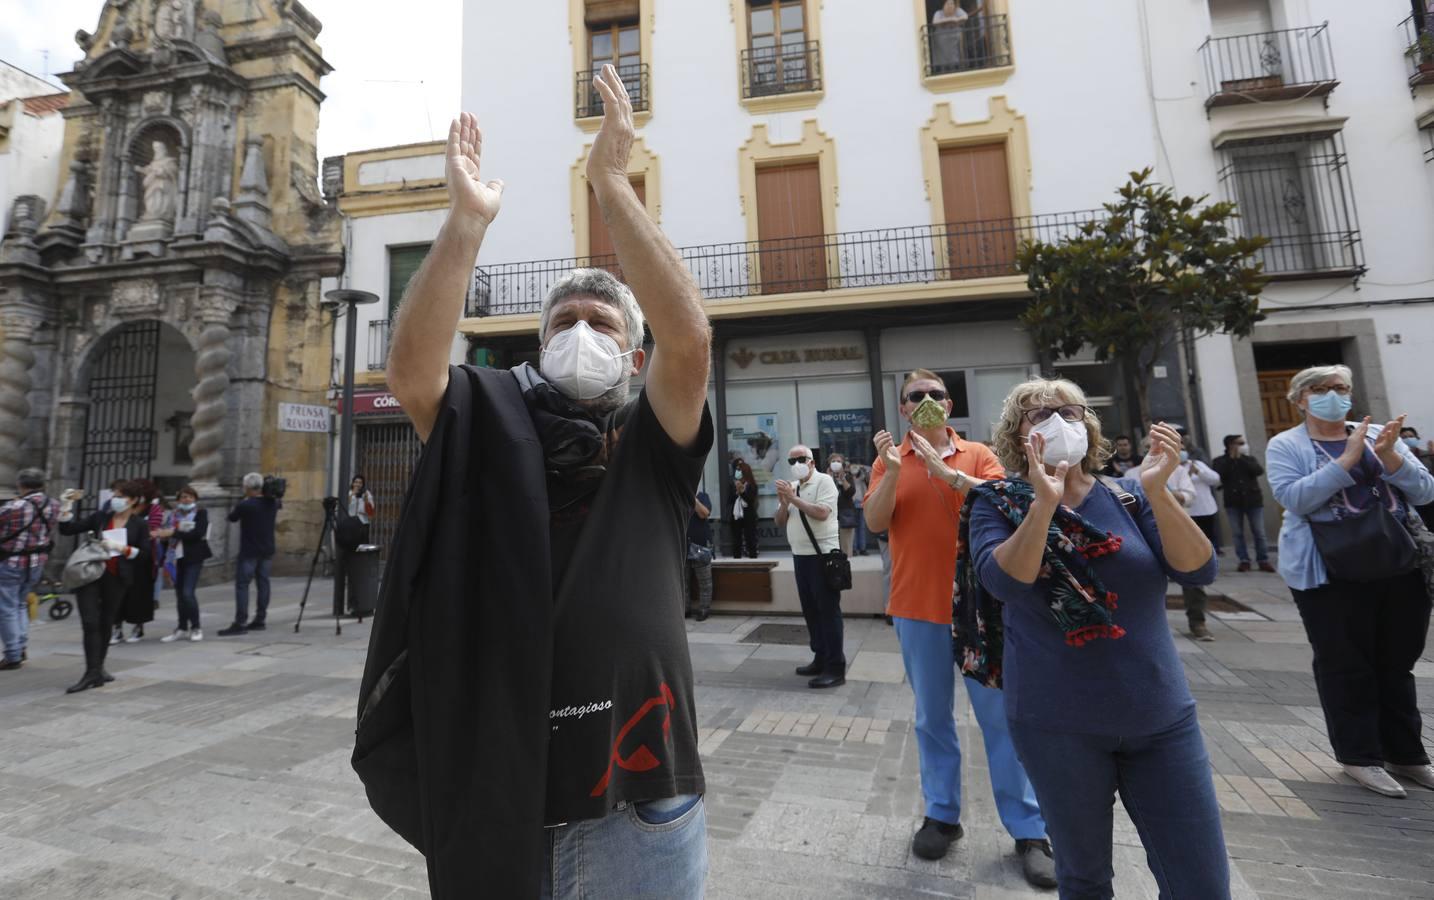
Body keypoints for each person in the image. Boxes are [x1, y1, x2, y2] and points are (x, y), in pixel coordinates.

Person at [357, 68, 713, 897]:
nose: (582, 333)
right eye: (565, 323)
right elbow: (411, 372)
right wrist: (465, 223)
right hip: (501, 797)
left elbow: (689, 340)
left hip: (643, 802)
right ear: (538, 344)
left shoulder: (654, 442)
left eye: (603, 325)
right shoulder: (486, 414)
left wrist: (611, 184)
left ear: (630, 356)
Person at [968, 378, 1229, 898]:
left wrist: (1158, 490)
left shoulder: (1129, 496)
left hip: (1160, 718)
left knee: (1201, 882)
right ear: (1018, 438)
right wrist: (1044, 505)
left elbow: (1199, 570)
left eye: (1068, 412)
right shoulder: (995, 503)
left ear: (1088, 425)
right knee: (1085, 879)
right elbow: (1004, 583)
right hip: (1056, 724)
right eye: (1038, 417)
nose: (1057, 423)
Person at [863, 369, 1055, 888]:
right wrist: (893, 469)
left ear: (949, 405)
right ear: (903, 409)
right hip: (917, 606)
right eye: (915, 396)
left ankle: (1030, 830)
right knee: (932, 718)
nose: (926, 401)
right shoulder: (890, 461)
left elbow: (1002, 503)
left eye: (935, 395)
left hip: (981, 608)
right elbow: (876, 523)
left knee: (1001, 719)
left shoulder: (979, 455)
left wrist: (947, 475)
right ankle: (942, 815)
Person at [1265, 365, 1434, 798]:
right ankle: (1361, 757)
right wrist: (1347, 460)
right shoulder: (1286, 444)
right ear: (1300, 399)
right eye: (1320, 390)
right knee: (1345, 663)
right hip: (1328, 571)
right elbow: (1294, 498)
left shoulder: (1380, 434)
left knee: (1397, 660)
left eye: (1340, 388)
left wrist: (1391, 456)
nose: (1332, 396)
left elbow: (1425, 491)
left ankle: (1407, 754)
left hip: (1398, 560)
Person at [58, 480, 152, 693]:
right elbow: (68, 529)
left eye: (121, 496)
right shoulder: (101, 518)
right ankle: (91, 672)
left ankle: (98, 669)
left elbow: (145, 555)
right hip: (91, 574)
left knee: (106, 621)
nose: (116, 500)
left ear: (134, 500)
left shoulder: (139, 524)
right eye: (115, 495)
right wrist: (65, 507)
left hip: (117, 577)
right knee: (90, 621)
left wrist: (123, 548)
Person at [776, 443, 845, 689]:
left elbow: (822, 513)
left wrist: (793, 498)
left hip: (822, 556)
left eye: (800, 459)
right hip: (800, 556)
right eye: (791, 461)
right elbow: (780, 520)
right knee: (811, 611)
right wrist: (785, 503)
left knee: (828, 611)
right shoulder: (792, 487)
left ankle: (835, 667)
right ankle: (820, 657)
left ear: (812, 461)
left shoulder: (824, 481)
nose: (796, 465)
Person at [0, 469, 60, 670]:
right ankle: (20, 646)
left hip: (11, 563)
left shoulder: (14, 506)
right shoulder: (53, 504)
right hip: (36, 562)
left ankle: (12, 654)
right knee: (20, 605)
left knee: (7, 607)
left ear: (20, 485)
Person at [220, 473, 279, 636]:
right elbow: (276, 501)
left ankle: (240, 621)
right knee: (263, 584)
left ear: (247, 487)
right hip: (267, 549)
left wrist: (243, 501)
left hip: (249, 551)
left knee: (242, 585)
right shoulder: (272, 502)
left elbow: (232, 518)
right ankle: (260, 619)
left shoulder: (246, 505)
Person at [1211, 434, 1275, 573]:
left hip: (1253, 500)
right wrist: (1231, 460)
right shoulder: (1220, 461)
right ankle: (1244, 560)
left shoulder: (1249, 459)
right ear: (1230, 445)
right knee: (1237, 533)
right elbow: (1218, 475)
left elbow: (1258, 471)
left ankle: (1263, 559)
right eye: (1240, 443)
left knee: (1259, 532)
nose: (1243, 445)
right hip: (1233, 502)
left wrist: (1240, 459)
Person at [157, 485, 211, 643]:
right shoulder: (173, 515)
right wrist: (164, 536)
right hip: (175, 557)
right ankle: (181, 627)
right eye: (183, 497)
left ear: (195, 499)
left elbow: (197, 534)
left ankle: (196, 627)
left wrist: (174, 533)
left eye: (189, 497)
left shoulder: (201, 513)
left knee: (188, 592)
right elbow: (166, 531)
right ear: (178, 500)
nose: (186, 500)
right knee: (180, 594)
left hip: (193, 557)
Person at [686, 490, 714, 622]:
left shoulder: (703, 496)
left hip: (700, 547)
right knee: (683, 583)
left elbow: (704, 514)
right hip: (683, 546)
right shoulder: (679, 496)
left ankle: (704, 609)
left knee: (705, 583)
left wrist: (693, 498)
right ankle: (685, 609)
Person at [828, 452, 858, 557]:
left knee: (846, 546)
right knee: (831, 547)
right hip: (829, 516)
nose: (836, 463)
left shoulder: (848, 476)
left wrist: (842, 479)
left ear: (843, 464)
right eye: (833, 461)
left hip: (845, 515)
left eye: (838, 461)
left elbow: (851, 492)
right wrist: (829, 478)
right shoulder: (825, 477)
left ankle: (846, 567)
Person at [731, 457, 759, 558]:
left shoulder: (751, 485)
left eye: (740, 470)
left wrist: (742, 492)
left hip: (748, 514)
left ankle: (753, 557)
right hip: (736, 515)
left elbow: (750, 501)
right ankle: (736, 558)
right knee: (736, 539)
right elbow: (729, 500)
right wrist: (735, 491)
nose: (737, 473)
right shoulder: (733, 484)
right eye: (737, 470)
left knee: (750, 538)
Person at [347, 474, 375, 540]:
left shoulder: (367, 493)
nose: (358, 484)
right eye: (356, 482)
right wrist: (352, 494)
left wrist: (366, 500)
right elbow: (345, 504)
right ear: (353, 483)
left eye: (360, 483)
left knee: (363, 543)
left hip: (363, 522)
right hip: (351, 522)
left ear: (362, 484)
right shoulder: (349, 493)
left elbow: (371, 511)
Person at [850, 462, 870, 555]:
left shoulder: (862, 478)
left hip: (861, 504)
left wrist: (862, 468)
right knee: (853, 528)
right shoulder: (848, 478)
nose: (855, 469)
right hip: (851, 504)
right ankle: (853, 548)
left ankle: (862, 548)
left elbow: (868, 475)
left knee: (861, 528)